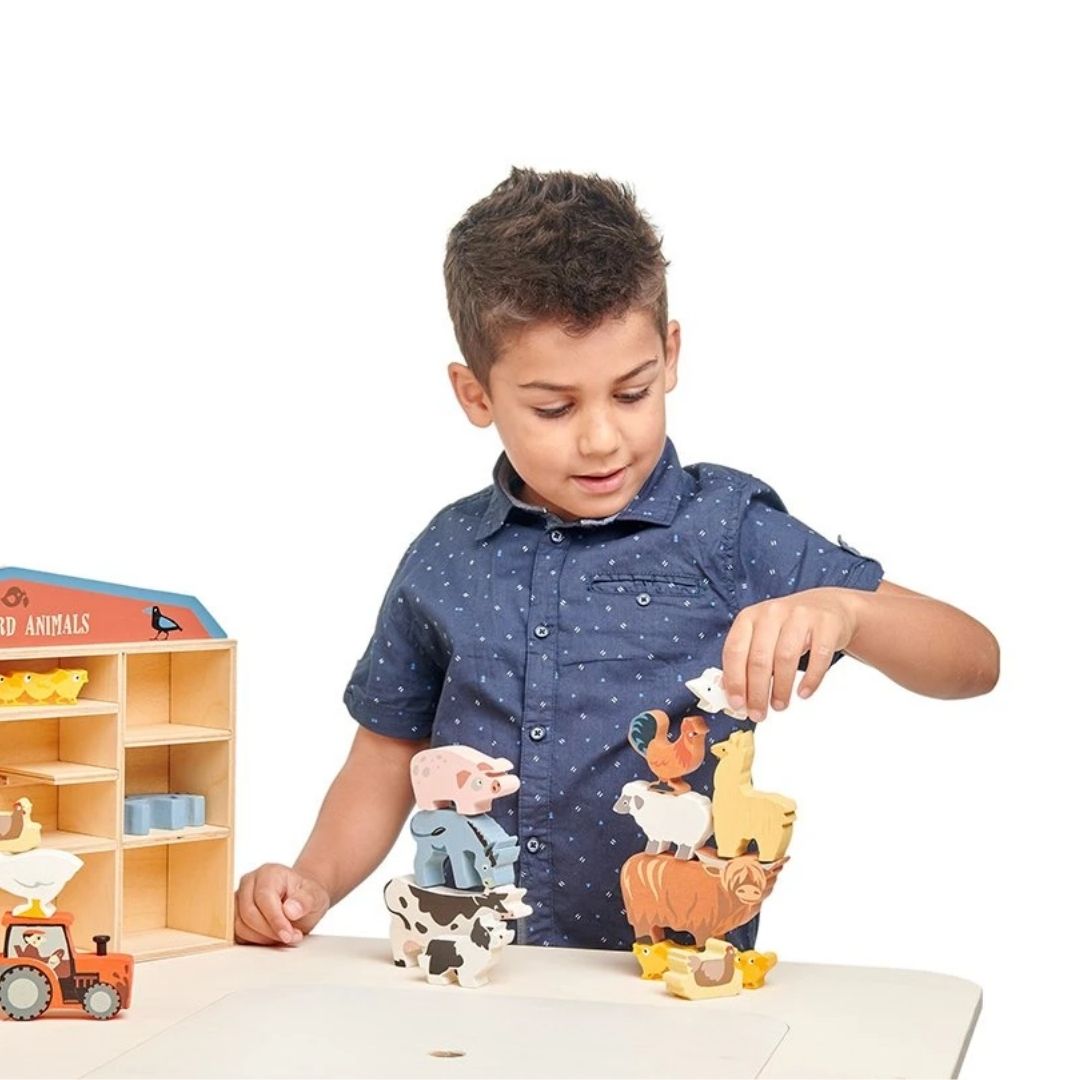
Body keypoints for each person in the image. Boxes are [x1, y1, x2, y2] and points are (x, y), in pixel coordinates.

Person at [235, 166, 999, 950]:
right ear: (476, 394)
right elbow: (386, 754)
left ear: (670, 355)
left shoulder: (726, 529)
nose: (601, 439)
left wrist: (850, 611)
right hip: (477, 984)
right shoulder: (446, 555)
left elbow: (974, 661)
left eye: (631, 393)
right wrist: (312, 882)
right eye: (554, 408)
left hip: (671, 986)